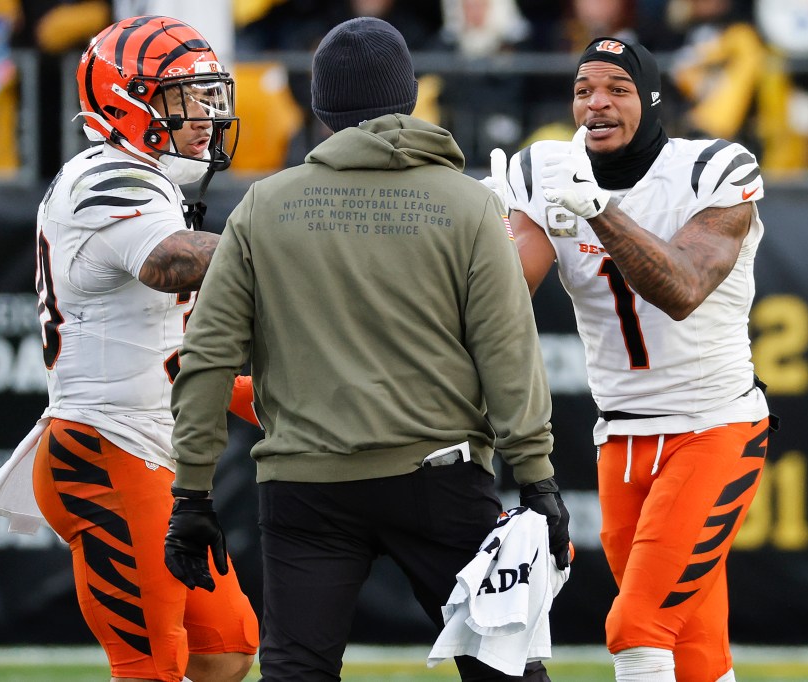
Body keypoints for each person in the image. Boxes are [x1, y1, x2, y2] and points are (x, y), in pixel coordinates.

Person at [161, 16, 571, 682]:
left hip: (305, 483)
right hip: (439, 477)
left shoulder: (265, 206)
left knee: (297, 671)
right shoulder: (466, 206)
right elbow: (508, 351)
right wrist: (538, 477)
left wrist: (192, 496)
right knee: (506, 672)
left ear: (319, 106)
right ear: (409, 96)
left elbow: (207, 358)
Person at [0, 15, 260, 682]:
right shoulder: (104, 179)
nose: (206, 115)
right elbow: (169, 263)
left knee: (228, 647)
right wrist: (289, 240)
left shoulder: (146, 177)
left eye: (210, 96)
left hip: (150, 448)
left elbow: (167, 346)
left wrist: (262, 396)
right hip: (105, 452)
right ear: (128, 98)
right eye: (186, 97)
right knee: (155, 667)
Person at [501, 37, 775, 682]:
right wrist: (473, 230)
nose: (596, 104)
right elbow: (502, 297)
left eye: (617, 89)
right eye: (583, 90)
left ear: (651, 100)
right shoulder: (547, 172)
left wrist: (598, 210)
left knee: (638, 630)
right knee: (694, 651)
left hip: (714, 427)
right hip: (620, 437)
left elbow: (681, 289)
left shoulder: (713, 167)